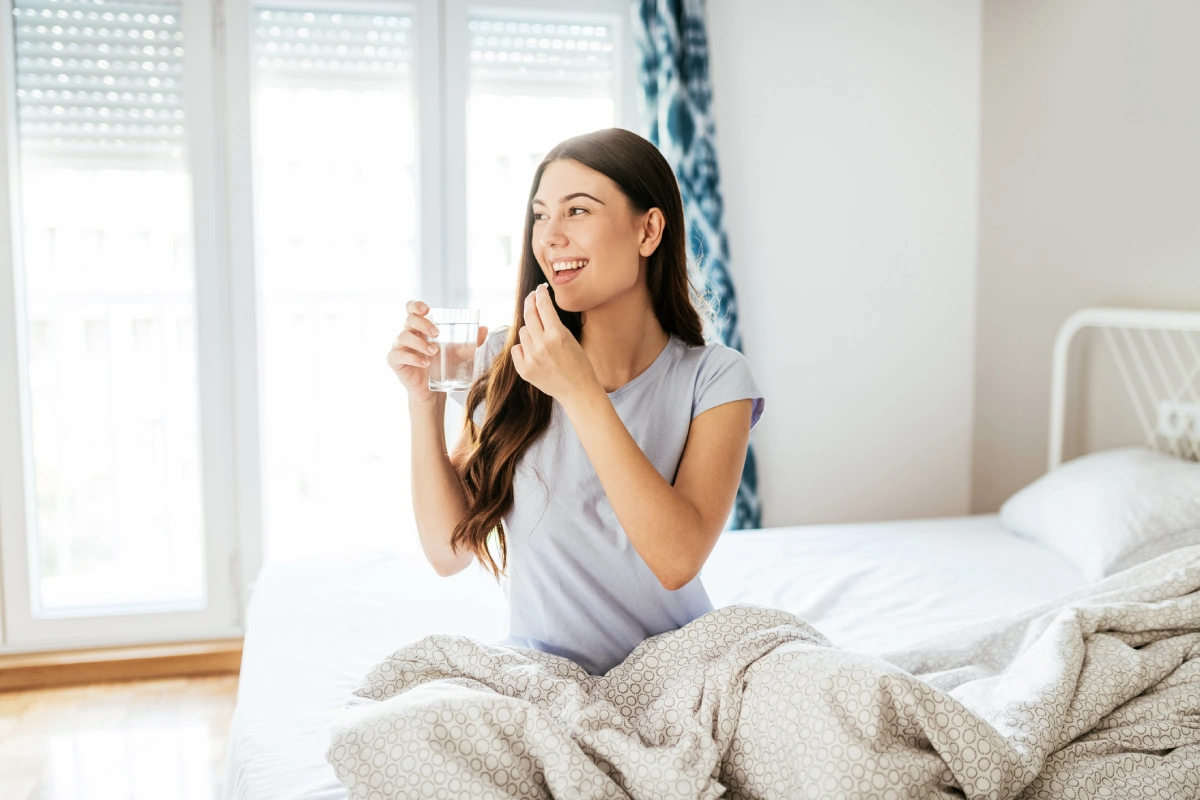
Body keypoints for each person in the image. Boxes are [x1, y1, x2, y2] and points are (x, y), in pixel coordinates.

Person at [385, 127, 764, 676]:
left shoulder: (716, 377)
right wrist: (424, 404)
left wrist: (579, 390)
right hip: (546, 678)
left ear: (648, 230)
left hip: (683, 673)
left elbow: (678, 560)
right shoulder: (508, 360)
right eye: (540, 216)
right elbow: (448, 553)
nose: (549, 238)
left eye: (577, 211)